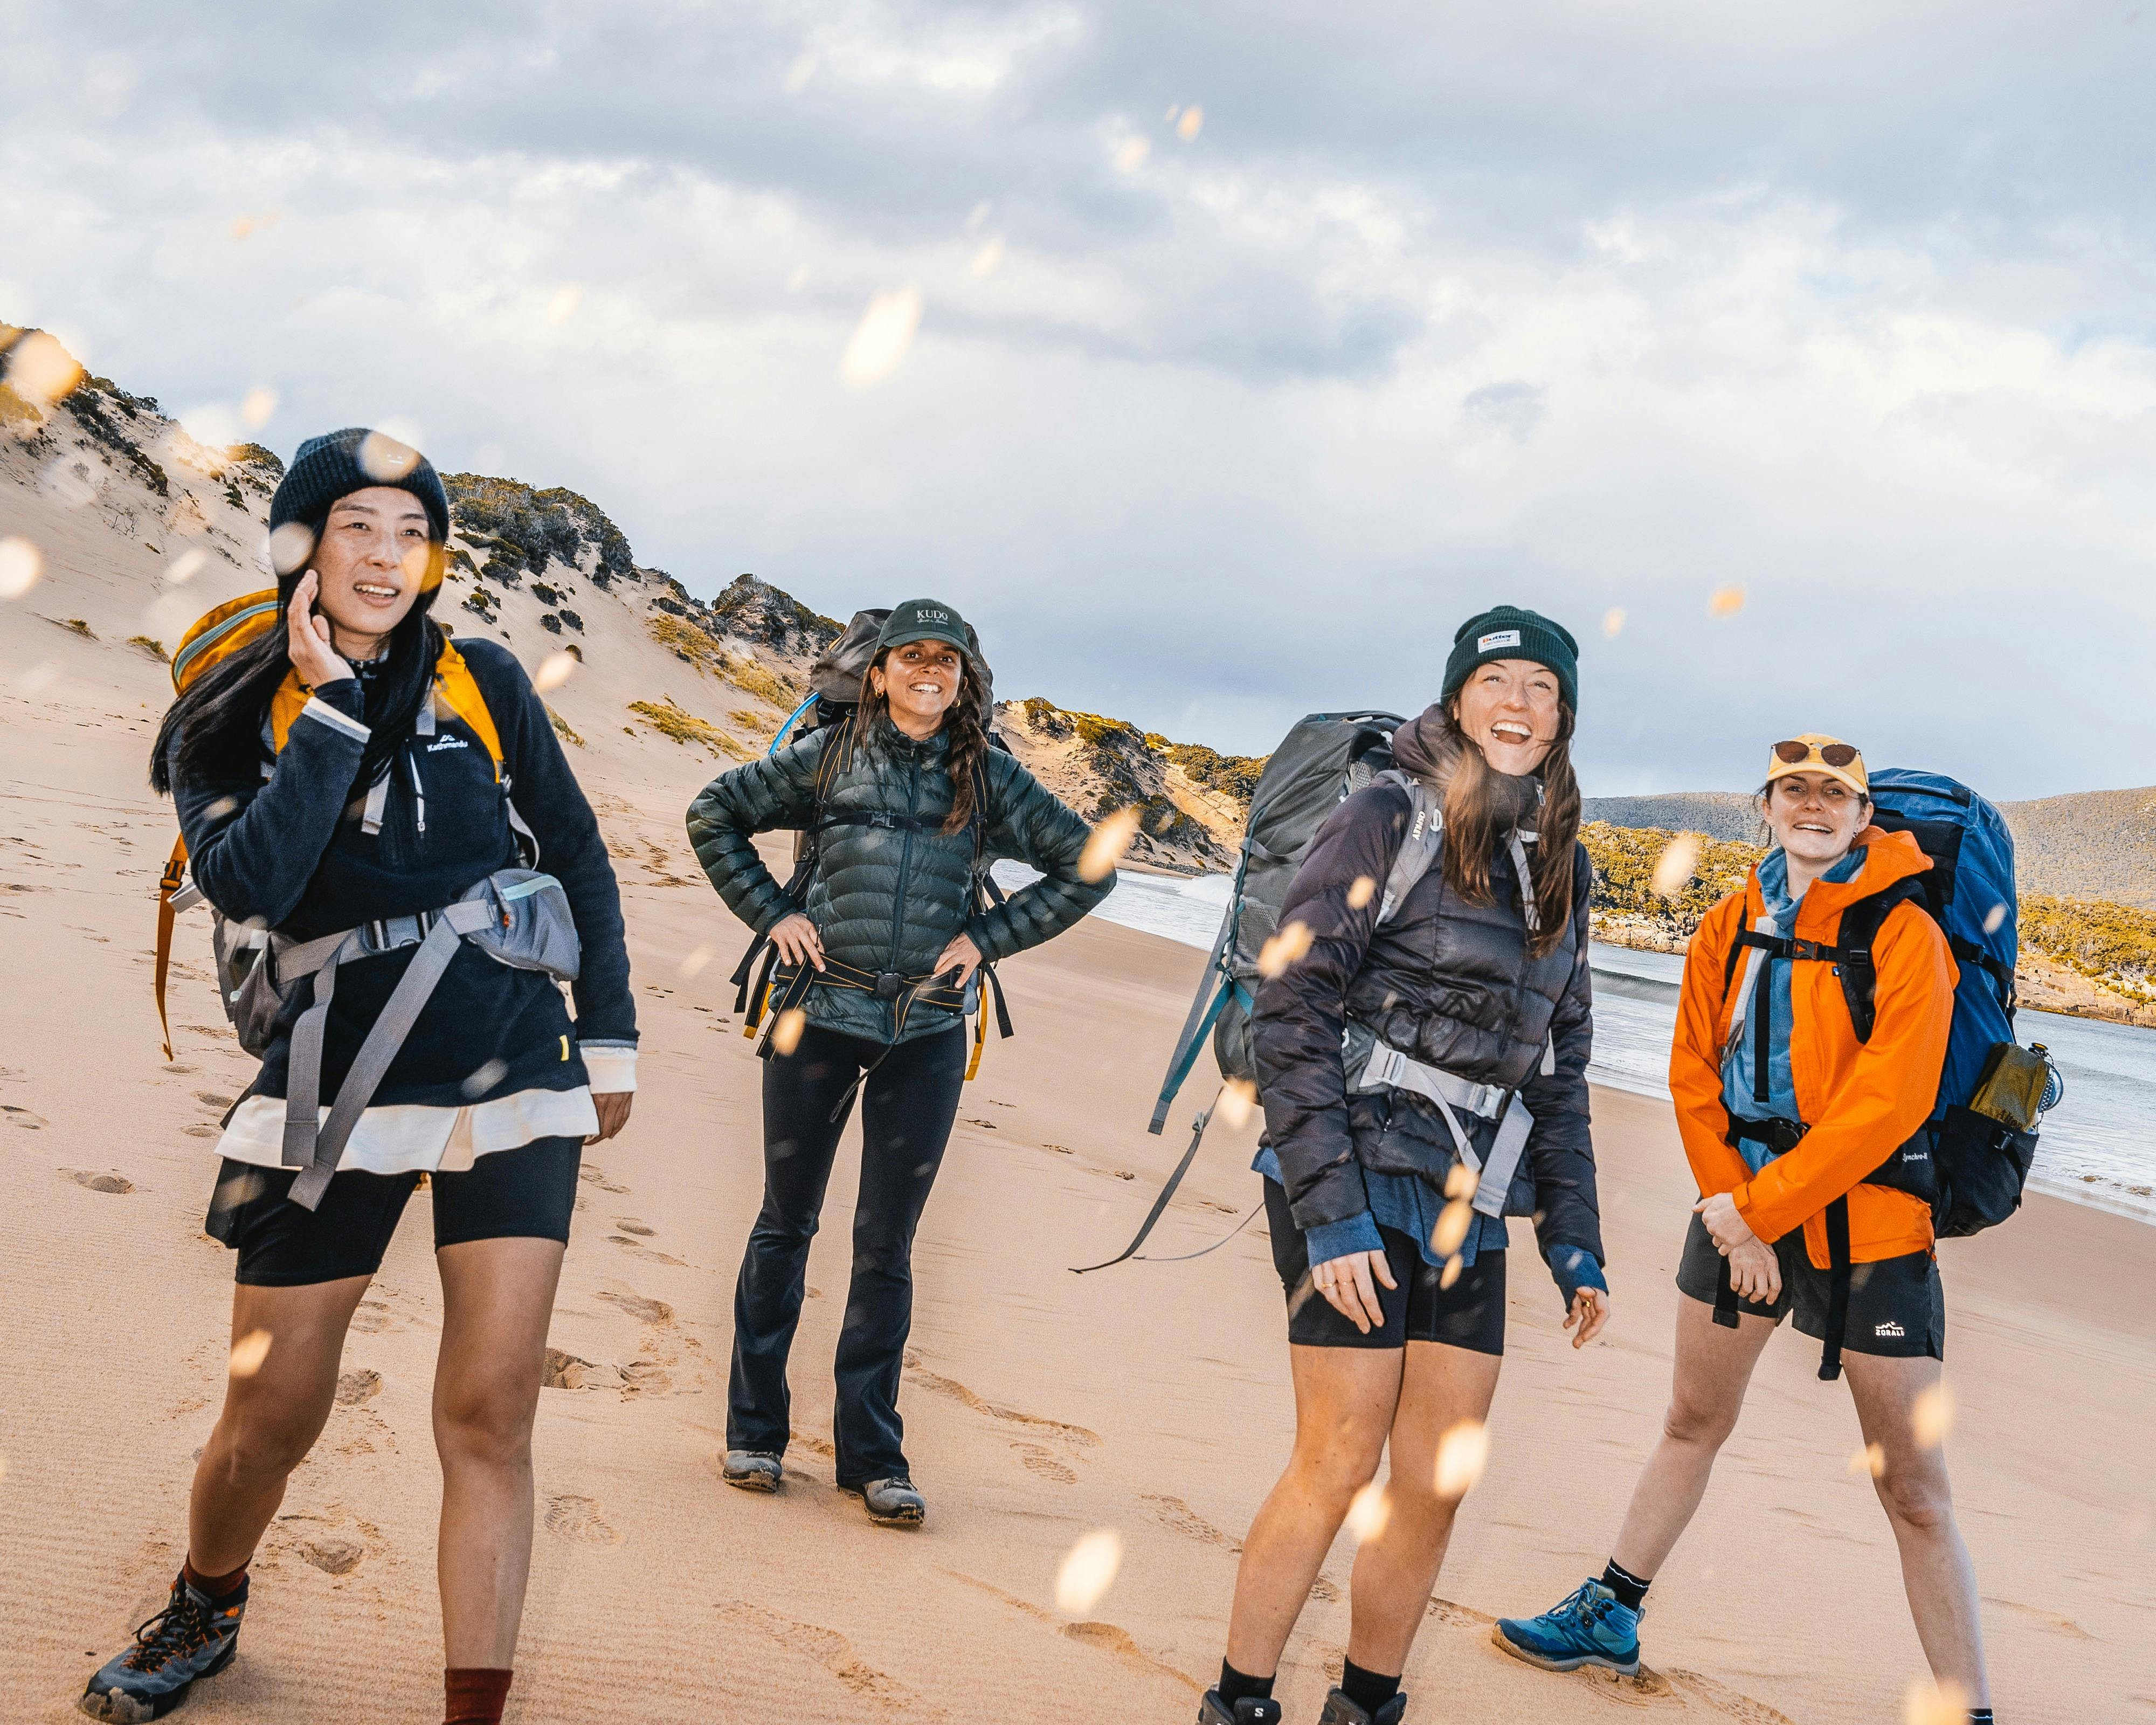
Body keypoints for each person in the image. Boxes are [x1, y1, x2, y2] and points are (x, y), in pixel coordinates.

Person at [84, 430, 636, 1725]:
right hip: (333, 1090)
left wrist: (607, 1037)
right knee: (270, 1412)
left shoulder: (486, 676)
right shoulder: (230, 710)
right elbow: (249, 882)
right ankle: (207, 1601)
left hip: (513, 1075)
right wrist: (329, 709)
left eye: (410, 532)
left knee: (492, 1411)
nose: (388, 557)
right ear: (303, 545)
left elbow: (582, 857)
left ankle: (472, 1710)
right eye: (356, 528)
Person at [1495, 736, 1995, 1723]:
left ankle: (1969, 1709)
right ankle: (1611, 1613)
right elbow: (1693, 1078)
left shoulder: (1908, 935)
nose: (1813, 806)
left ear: (1864, 818)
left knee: (1914, 1493)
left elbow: (1889, 1106)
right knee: (1691, 1422)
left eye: (1834, 796)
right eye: (1794, 791)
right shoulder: (1727, 922)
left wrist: (1758, 1214)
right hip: (1737, 1220)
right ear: (1764, 807)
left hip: (1871, 1230)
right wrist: (1736, 1222)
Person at [1200, 606, 1611, 1725]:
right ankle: (1237, 1702)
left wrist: (1574, 1237)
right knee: (1339, 1453)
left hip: (1464, 1198)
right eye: (1498, 682)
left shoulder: (1563, 861)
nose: (1519, 705)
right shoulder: (1387, 808)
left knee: (1433, 1476)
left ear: (1562, 714)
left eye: (1541, 687)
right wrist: (1328, 1214)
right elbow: (1292, 1001)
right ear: (1458, 697)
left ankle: (1363, 1706)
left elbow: (1556, 1072)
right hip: (1349, 1163)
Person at [686, 598, 1109, 1527]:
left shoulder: (989, 780)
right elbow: (715, 813)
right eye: (911, 657)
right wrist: (774, 917)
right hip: (816, 1016)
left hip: (926, 1030)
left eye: (947, 661)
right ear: (877, 674)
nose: (930, 671)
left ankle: (873, 1456)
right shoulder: (828, 759)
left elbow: (1089, 866)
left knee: (886, 1246)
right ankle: (755, 1434)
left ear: (964, 682)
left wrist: (989, 939)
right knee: (784, 1225)